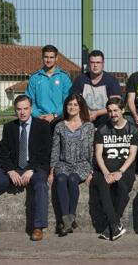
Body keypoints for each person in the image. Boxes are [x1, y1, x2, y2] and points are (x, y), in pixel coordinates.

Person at [0, 95, 52, 241]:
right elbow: (3, 152)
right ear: (15, 110)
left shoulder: (42, 126)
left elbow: (46, 152)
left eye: (25, 108)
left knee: (41, 186)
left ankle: (38, 228)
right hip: (13, 168)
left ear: (31, 109)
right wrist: (10, 171)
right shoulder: (9, 127)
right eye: (19, 109)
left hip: (35, 168)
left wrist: (31, 170)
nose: (22, 112)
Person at [91, 98, 138, 241]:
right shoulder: (102, 129)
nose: (113, 114)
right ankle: (115, 225)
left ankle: (112, 226)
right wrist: (106, 173)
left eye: (115, 110)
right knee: (103, 187)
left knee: (123, 189)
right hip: (104, 168)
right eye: (110, 111)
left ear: (122, 110)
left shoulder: (132, 129)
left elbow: (132, 154)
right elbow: (98, 154)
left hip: (125, 168)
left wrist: (120, 172)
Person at [48, 94, 95, 237]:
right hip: (64, 163)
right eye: (70, 104)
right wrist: (51, 172)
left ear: (80, 107)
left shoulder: (88, 126)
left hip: (82, 164)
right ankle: (67, 219)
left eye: (75, 104)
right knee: (61, 179)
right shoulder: (60, 126)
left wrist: (91, 172)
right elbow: (55, 150)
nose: (72, 107)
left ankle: (68, 218)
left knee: (73, 179)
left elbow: (91, 150)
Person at [72, 50, 122, 127]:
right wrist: (85, 112)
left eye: (98, 62)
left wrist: (97, 113)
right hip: (84, 114)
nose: (95, 65)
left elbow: (116, 104)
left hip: (104, 115)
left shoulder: (111, 81)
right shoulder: (80, 80)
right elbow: (75, 102)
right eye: (92, 62)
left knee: (112, 117)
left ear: (103, 64)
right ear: (89, 64)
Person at [26, 44, 72, 124]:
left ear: (56, 58)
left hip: (59, 119)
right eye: (46, 57)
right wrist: (37, 115)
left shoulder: (64, 77)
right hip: (39, 119)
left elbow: (68, 101)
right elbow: (29, 100)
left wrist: (54, 115)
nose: (48, 60)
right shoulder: (35, 78)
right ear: (42, 58)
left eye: (51, 57)